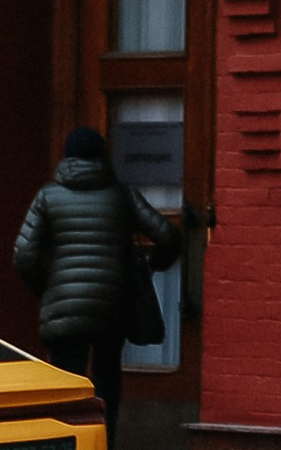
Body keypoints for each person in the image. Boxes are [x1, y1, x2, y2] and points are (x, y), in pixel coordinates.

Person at [11, 126, 182, 433]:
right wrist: (153, 265)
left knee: (67, 387)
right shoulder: (121, 195)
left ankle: (71, 447)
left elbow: (24, 255)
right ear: (102, 156)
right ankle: (106, 449)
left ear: (67, 157)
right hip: (110, 306)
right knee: (107, 383)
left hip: (62, 307)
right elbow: (168, 235)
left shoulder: (48, 197)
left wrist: (47, 289)